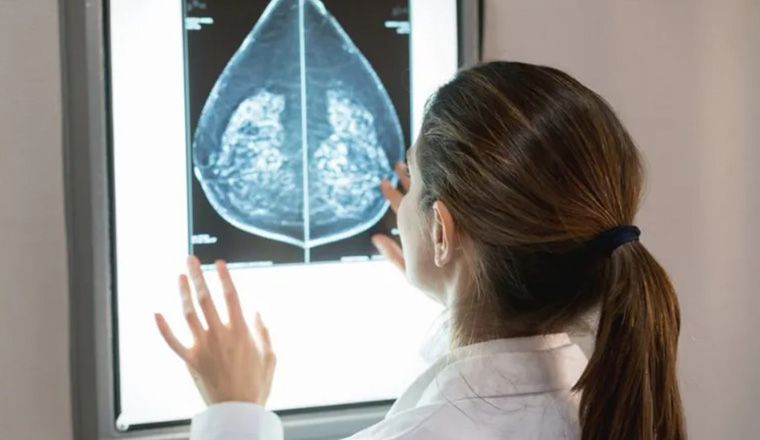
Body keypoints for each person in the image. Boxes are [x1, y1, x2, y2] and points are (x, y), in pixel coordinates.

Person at [155, 61, 685, 440]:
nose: (397, 199)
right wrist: (449, 278)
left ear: (442, 231)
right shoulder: (614, 398)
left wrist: (234, 412)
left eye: (410, 183)